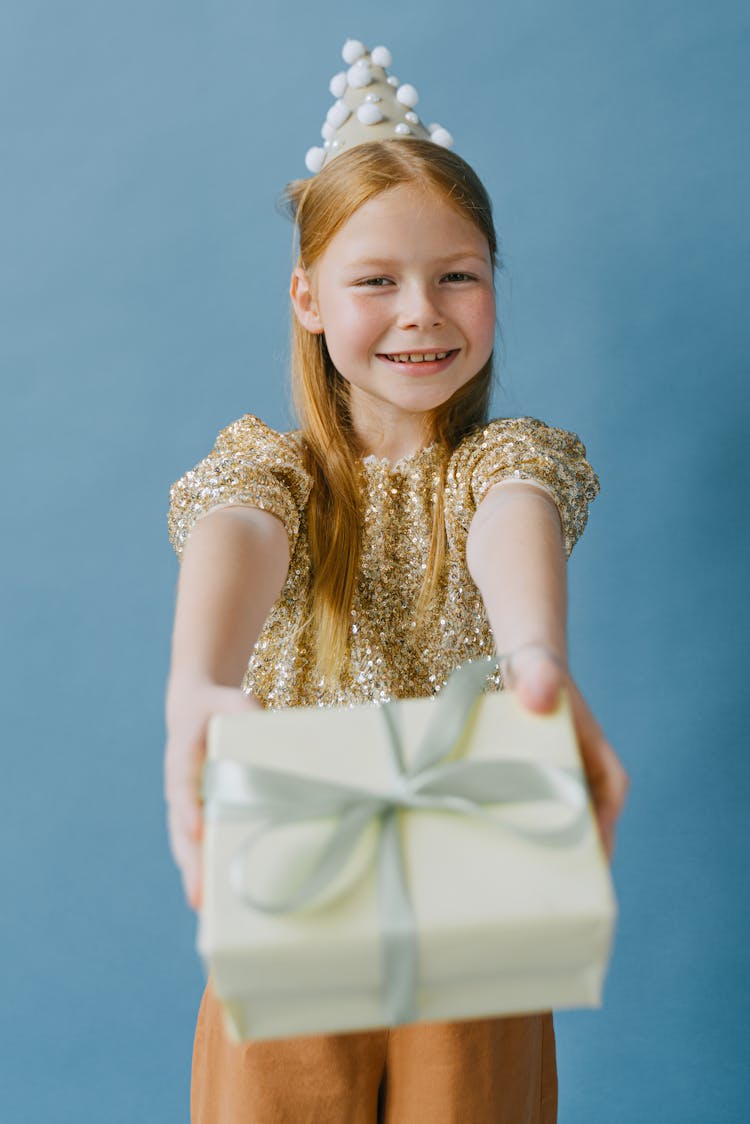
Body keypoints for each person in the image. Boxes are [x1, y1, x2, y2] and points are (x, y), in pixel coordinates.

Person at [164, 40, 628, 1124]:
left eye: (456, 275)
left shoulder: (506, 461)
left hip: (478, 888)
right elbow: (238, 529)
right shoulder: (270, 470)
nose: (422, 310)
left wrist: (536, 659)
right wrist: (199, 680)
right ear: (310, 297)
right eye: (377, 281)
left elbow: (516, 518)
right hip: (295, 879)